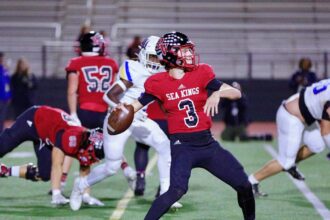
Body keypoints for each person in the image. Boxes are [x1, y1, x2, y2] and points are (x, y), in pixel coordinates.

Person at [114, 32, 255, 219]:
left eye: (189, 50)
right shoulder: (157, 82)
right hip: (183, 147)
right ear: (171, 54)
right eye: (184, 50)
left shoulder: (201, 72)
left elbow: (236, 93)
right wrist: (121, 110)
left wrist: (217, 93)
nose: (189, 54)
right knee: (176, 190)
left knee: (244, 185)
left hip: (208, 144)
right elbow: (136, 105)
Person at [69, 35, 181, 211]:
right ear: (143, 54)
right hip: (118, 119)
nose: (155, 61)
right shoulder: (134, 68)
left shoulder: (162, 73)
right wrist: (125, 109)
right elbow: (109, 95)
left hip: (140, 119)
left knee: (164, 145)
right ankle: (80, 184)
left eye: (158, 56)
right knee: (111, 167)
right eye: (152, 56)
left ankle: (167, 195)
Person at [0, 105, 134, 206]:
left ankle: (4, 171)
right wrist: (56, 193)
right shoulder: (72, 138)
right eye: (94, 154)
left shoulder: (86, 142)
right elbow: (57, 163)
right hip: (32, 121)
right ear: (90, 145)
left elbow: (85, 169)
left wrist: (86, 196)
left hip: (45, 135)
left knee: (45, 174)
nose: (94, 159)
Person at [64, 31, 135, 200]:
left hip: (84, 111)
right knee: (107, 144)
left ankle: (61, 183)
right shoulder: (110, 63)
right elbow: (114, 90)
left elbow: (72, 91)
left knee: (74, 146)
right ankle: (126, 168)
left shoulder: (76, 62)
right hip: (104, 112)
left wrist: (73, 113)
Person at [248, 79, 330, 197]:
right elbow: (326, 131)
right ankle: (251, 181)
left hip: (306, 113)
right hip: (290, 116)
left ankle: (291, 163)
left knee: (317, 145)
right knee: (285, 162)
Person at [0, 52, 11, 133]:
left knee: (2, 117)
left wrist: (9, 95)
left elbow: (8, 84)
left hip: (4, 98)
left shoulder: (4, 70)